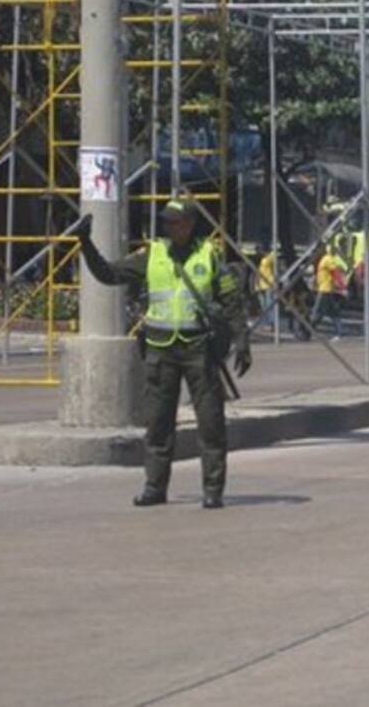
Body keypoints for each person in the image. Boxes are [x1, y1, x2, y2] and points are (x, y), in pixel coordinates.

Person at [75, 197, 250, 510]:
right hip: (160, 350)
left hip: (199, 349)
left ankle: (213, 489)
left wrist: (242, 340)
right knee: (158, 424)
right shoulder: (152, 255)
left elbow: (231, 300)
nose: (169, 226)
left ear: (190, 224)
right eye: (166, 221)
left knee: (210, 423)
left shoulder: (209, 256)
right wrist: (85, 243)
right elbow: (108, 274)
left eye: (175, 221)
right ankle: (155, 487)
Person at [311, 244, 347, 340]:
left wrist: (342, 287)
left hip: (325, 290)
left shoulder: (328, 259)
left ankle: (308, 330)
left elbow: (336, 273)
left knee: (317, 311)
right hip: (326, 289)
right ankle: (339, 333)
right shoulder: (325, 259)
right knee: (333, 312)